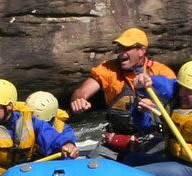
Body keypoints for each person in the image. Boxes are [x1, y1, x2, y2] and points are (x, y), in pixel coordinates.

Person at [69, 27, 175, 160]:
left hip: (151, 140)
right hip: (116, 140)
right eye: (120, 48)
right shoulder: (108, 69)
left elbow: (175, 103)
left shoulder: (161, 72)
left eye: (127, 48)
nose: (121, 53)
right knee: (92, 167)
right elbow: (81, 91)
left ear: (142, 50)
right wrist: (79, 100)